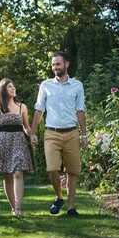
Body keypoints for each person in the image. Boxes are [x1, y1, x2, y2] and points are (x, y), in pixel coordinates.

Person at [30, 51, 88, 217]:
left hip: (72, 133)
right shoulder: (46, 85)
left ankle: (70, 206)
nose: (55, 67)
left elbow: (80, 110)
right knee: (52, 168)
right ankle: (59, 196)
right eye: (53, 64)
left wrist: (84, 135)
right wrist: (33, 132)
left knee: (73, 171)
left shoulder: (77, 85)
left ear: (66, 64)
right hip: (51, 133)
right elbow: (39, 110)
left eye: (58, 64)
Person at [0, 78, 34, 217]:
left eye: (13, 86)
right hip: (4, 143)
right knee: (7, 176)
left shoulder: (22, 107)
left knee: (18, 173)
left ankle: (19, 207)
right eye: (9, 87)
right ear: (3, 90)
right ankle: (13, 207)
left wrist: (31, 135)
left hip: (19, 142)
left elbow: (26, 127)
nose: (13, 88)